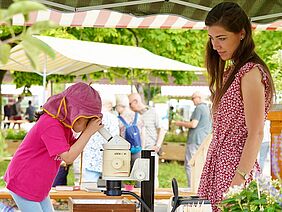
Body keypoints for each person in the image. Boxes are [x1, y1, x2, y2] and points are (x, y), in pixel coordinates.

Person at [197, 2, 275, 211]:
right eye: (212, 38)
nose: (215, 45)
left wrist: (238, 181)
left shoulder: (249, 73)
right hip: (219, 165)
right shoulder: (231, 72)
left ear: (242, 34)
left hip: (234, 169)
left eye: (222, 38)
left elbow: (256, 133)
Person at [4, 82, 103, 212]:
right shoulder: (51, 124)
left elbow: (74, 148)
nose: (88, 124)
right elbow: (68, 157)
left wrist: (87, 132)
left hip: (38, 185)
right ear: (75, 113)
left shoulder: (63, 125)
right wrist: (88, 132)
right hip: (24, 181)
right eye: (88, 119)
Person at [128, 93, 167, 188]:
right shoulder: (132, 115)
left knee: (152, 178)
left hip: (151, 150)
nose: (129, 107)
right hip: (137, 152)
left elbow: (162, 129)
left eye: (130, 104)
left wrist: (157, 145)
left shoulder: (153, 112)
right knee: (138, 178)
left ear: (136, 101)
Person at [80, 94, 119, 187]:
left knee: (89, 187)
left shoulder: (90, 117)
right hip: (108, 158)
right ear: (110, 105)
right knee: (109, 188)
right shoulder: (113, 119)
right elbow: (115, 138)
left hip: (91, 157)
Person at [174, 91, 211, 188]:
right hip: (203, 140)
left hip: (195, 140)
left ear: (199, 98)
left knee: (190, 164)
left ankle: (192, 187)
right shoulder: (207, 108)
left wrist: (180, 123)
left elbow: (193, 124)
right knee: (200, 165)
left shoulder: (198, 108)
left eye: (193, 98)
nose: (192, 101)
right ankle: (200, 187)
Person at [116, 94, 145, 187]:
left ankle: (124, 193)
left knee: (123, 174)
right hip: (137, 149)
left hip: (124, 151)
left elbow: (118, 136)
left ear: (120, 106)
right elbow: (143, 134)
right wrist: (142, 148)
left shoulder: (119, 119)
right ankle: (139, 194)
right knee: (138, 174)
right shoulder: (138, 116)